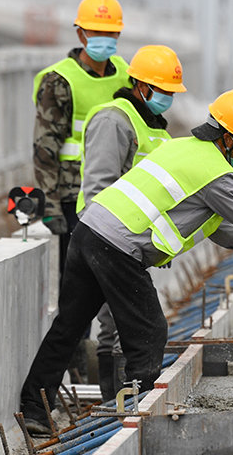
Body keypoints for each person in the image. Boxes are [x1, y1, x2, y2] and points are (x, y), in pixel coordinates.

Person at [20, 88, 233, 434]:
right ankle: (133, 420)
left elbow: (214, 219)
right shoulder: (216, 173)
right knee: (149, 333)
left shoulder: (182, 147)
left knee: (68, 326)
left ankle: (34, 410)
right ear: (227, 138)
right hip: (116, 247)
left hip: (89, 232)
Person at [75, 44, 186, 402]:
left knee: (119, 324)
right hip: (107, 240)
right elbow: (98, 188)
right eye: (162, 90)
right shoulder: (115, 121)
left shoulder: (159, 134)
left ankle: (118, 404)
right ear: (140, 85)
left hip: (129, 243)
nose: (167, 98)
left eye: (171, 92)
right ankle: (117, 405)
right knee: (121, 325)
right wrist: (107, 245)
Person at [32, 0, 130, 386]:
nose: (104, 40)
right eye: (96, 32)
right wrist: (50, 205)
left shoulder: (126, 75)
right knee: (76, 288)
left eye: (111, 33)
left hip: (117, 197)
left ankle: (105, 362)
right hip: (74, 198)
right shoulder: (59, 81)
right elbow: (45, 147)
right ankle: (75, 365)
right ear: (81, 34)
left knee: (113, 284)